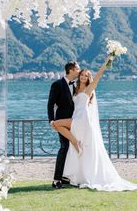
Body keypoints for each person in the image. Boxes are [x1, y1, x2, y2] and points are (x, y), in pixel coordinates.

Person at [52, 55, 137, 191]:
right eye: (82, 75)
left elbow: (98, 76)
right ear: (79, 76)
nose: (83, 77)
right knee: (58, 126)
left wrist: (106, 62)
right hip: (76, 117)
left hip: (82, 119)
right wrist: (57, 105)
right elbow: (68, 100)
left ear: (88, 78)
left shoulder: (88, 89)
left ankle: (74, 143)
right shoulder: (75, 88)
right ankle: (76, 148)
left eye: (86, 75)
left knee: (56, 124)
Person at [47, 61, 80, 189]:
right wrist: (51, 120)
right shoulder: (57, 84)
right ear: (71, 70)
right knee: (64, 146)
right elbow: (50, 104)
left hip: (76, 121)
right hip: (62, 121)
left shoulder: (78, 85)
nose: (79, 71)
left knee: (73, 148)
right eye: (78, 69)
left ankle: (66, 176)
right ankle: (56, 179)